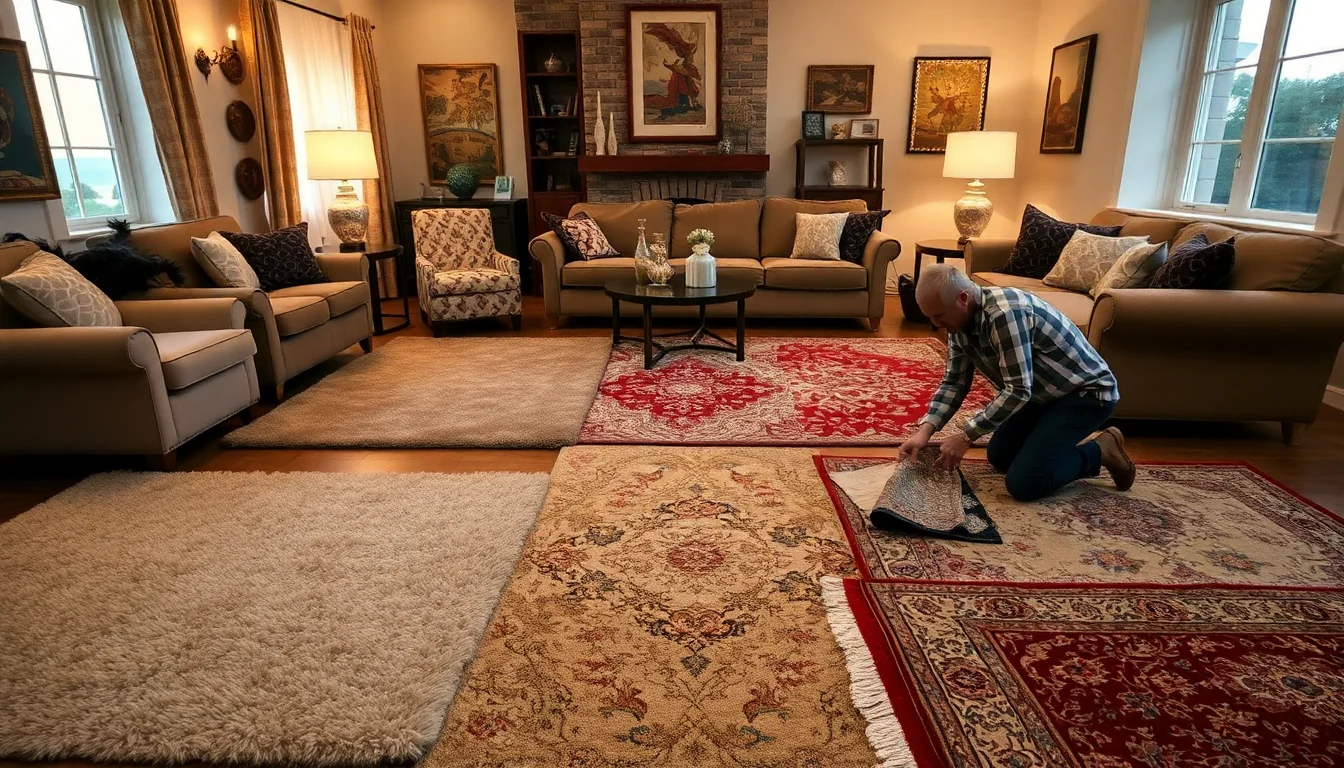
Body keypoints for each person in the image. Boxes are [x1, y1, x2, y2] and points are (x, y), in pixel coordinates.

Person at [897, 264, 1134, 501]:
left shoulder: (1004, 314)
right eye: (930, 317)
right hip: (1042, 394)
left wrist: (966, 435)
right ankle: (1050, 444)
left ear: (962, 298)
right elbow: (955, 381)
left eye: (939, 316)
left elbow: (1018, 389)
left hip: (1086, 394)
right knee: (1000, 456)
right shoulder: (959, 322)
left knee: (1024, 484)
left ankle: (1100, 450)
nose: (937, 324)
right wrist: (924, 431)